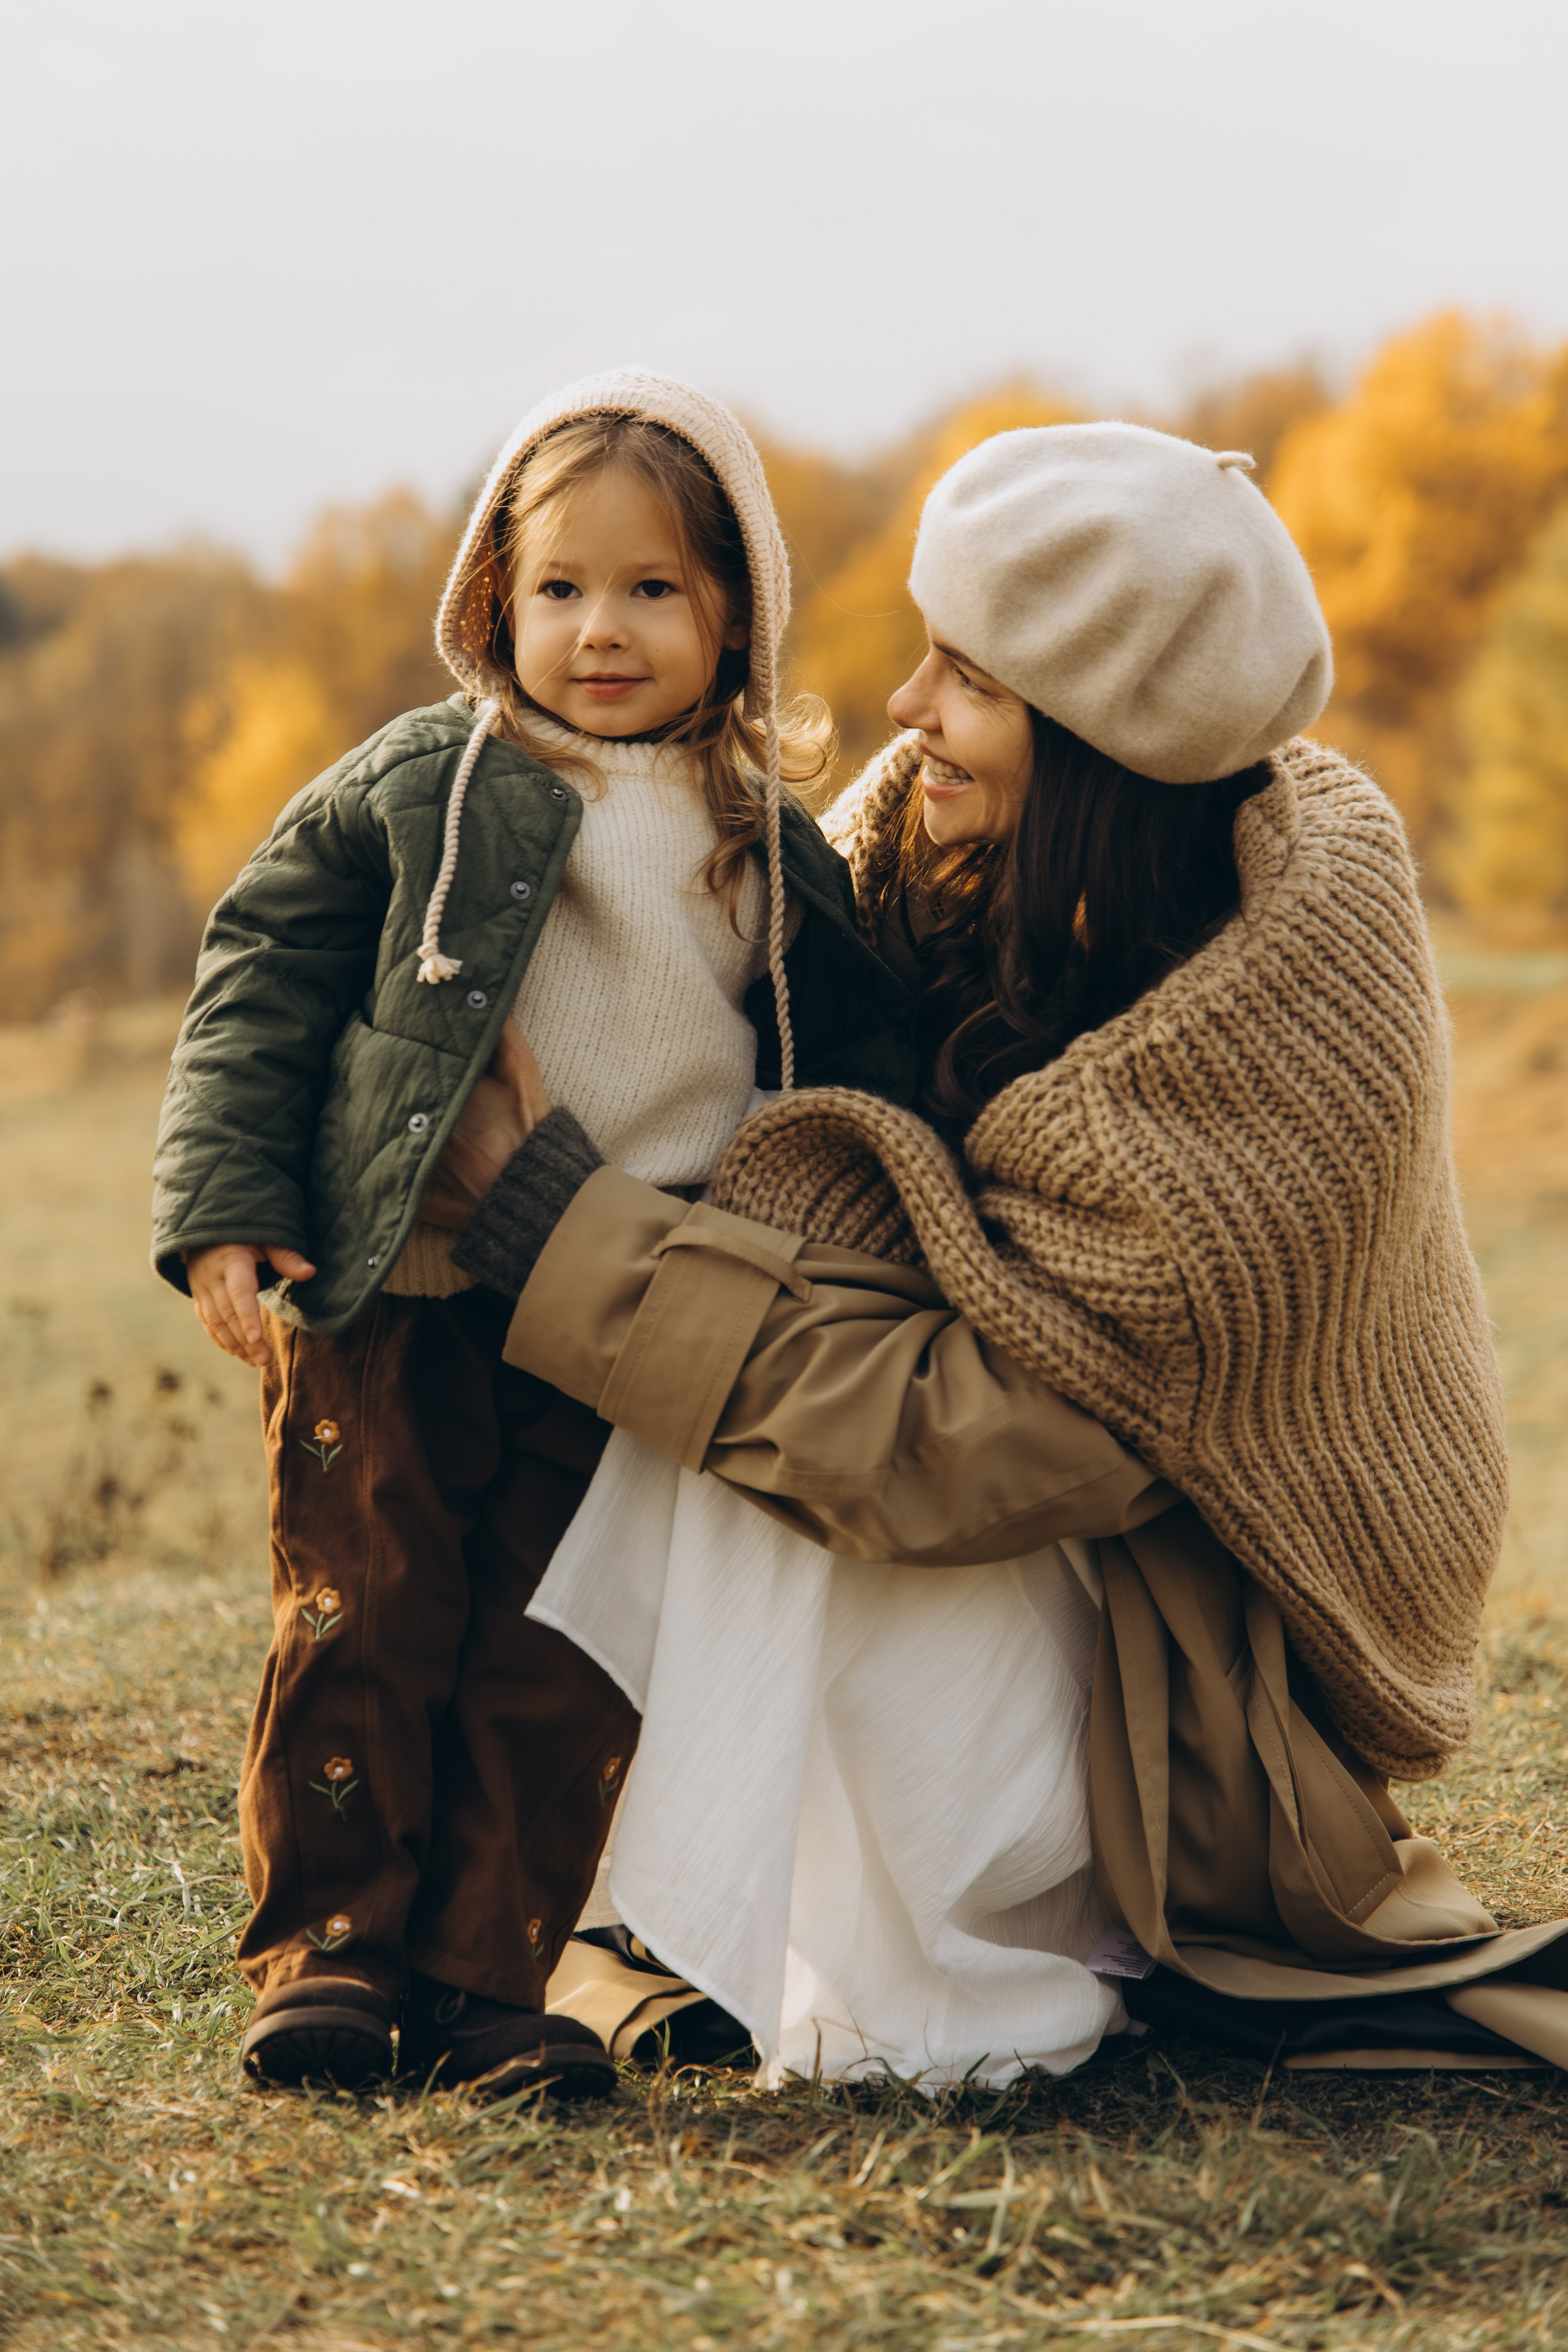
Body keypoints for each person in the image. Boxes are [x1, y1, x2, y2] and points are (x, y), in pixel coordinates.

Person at [430, 421, 1568, 2084]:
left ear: (1101, 739)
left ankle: (976, 1982)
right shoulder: (928, 859)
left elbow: (948, 1450)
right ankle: (627, 1918)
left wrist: (546, 1232)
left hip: (1194, 1723)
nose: (905, 709)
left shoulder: (1267, 1052)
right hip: (1064, 1589)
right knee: (725, 1389)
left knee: (768, 1445)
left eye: (966, 677)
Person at [149, 371, 913, 2096]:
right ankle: (332, 1957)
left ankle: (496, 1984)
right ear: (497, 604)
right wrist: (231, 1205)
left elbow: (863, 1064)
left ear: (736, 618)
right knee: (371, 1609)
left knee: (556, 1660)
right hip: (400, 1296)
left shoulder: (766, 843)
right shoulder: (432, 778)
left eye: (654, 590)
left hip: (618, 1316)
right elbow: (259, 968)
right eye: (561, 589)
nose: (604, 630)